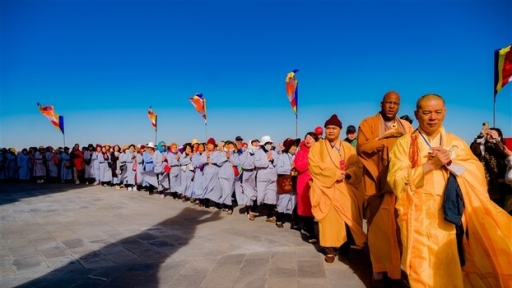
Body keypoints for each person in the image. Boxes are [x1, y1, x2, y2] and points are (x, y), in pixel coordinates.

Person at [387, 94, 512, 288]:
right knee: (420, 267)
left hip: (450, 215)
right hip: (417, 215)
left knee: (450, 261)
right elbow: (395, 179)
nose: (432, 117)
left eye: (437, 112)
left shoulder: (455, 143)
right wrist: (430, 165)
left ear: (444, 113)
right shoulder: (404, 144)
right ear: (416, 114)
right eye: (426, 112)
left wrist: (450, 163)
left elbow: (475, 172)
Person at [356, 91, 413, 285]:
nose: (391, 106)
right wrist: (387, 140)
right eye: (388, 102)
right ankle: (378, 270)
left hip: (398, 185)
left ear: (399, 106)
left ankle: (394, 269)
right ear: (381, 103)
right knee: (377, 229)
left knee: (397, 229)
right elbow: (362, 148)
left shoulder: (406, 126)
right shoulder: (367, 123)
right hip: (375, 183)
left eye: (395, 103)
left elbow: (413, 149)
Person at [308, 114, 366, 263]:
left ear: (340, 130)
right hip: (325, 188)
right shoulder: (317, 147)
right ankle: (329, 250)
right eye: (328, 128)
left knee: (347, 219)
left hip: (344, 188)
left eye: (334, 128)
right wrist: (334, 174)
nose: (331, 131)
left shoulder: (347, 147)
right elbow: (314, 166)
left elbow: (357, 165)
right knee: (329, 220)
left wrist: (347, 174)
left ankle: (345, 246)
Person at [470, 127, 512, 213]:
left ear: (499, 136)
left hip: (502, 183)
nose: (490, 136)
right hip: (486, 182)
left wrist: (496, 140)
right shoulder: (481, 145)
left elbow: (504, 151)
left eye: (493, 133)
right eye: (488, 134)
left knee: (501, 208)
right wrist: (481, 135)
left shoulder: (502, 145)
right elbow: (473, 151)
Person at [294, 132, 319, 243]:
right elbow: (299, 167)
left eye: (311, 138)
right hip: (304, 183)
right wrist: (310, 158)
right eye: (307, 138)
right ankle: (311, 233)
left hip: (317, 182)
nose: (308, 140)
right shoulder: (301, 153)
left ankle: (299, 222)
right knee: (306, 207)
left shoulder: (320, 152)